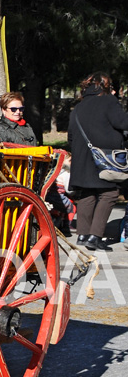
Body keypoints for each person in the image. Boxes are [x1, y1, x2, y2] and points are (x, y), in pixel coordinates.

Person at [68, 72, 128, 251]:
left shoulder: (78, 107)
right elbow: (123, 122)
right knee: (109, 194)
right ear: (105, 86)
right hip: (103, 158)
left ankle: (83, 235)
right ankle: (95, 236)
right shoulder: (109, 101)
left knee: (87, 195)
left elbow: (70, 136)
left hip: (82, 157)